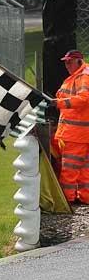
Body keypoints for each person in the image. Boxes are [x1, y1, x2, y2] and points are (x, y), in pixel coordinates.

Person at [52, 50, 89, 204]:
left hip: (76, 134)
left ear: (79, 62)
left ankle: (67, 200)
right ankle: (85, 197)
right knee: (84, 168)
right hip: (80, 133)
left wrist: (60, 103)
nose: (66, 65)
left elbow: (83, 99)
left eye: (69, 62)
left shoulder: (83, 76)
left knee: (69, 169)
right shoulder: (78, 75)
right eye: (65, 62)